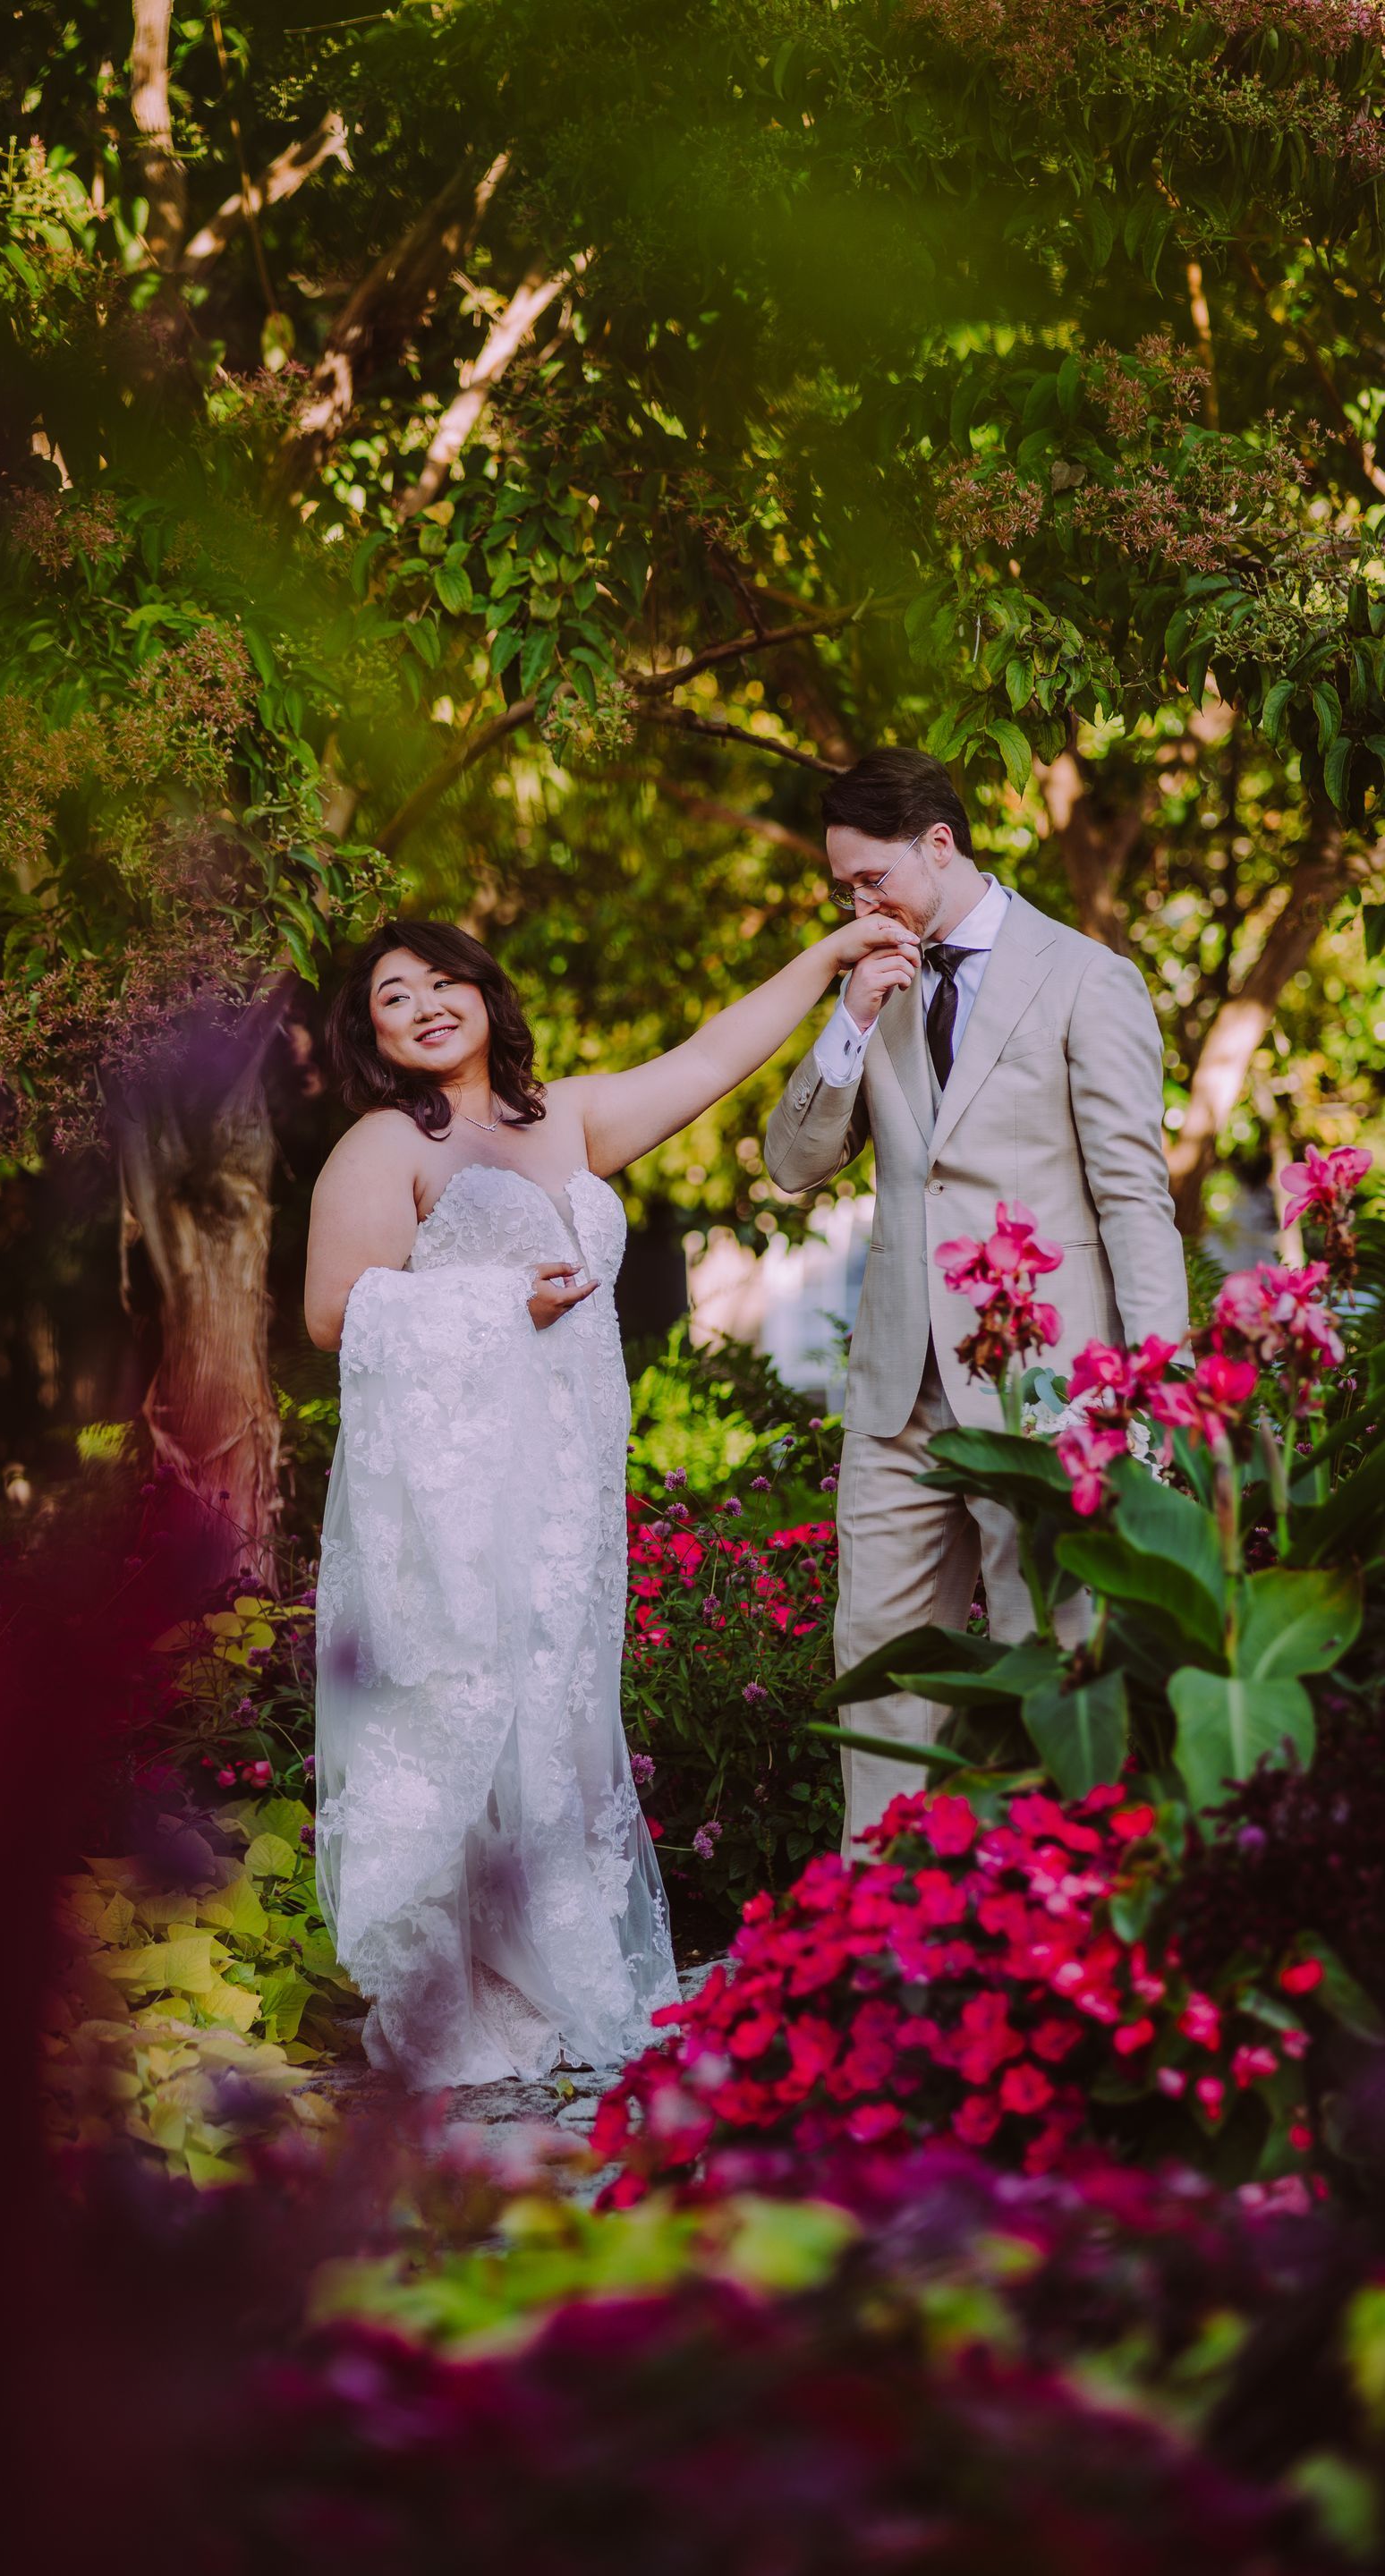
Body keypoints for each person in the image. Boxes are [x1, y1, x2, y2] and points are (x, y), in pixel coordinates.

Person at [304, 910, 915, 2088]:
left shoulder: (564, 1116)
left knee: (561, 1711)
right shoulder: (383, 1146)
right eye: (395, 993)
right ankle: (454, 1985)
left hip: (567, 1479)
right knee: (460, 1703)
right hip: (455, 1491)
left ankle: (553, 1954)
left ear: (487, 993)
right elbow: (337, 1312)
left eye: (445, 979)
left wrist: (827, 958)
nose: (427, 1002)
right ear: (371, 1031)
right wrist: (496, 1308)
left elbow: (705, 1060)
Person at [764, 747, 1188, 1855]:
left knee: (1056, 1661)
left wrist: (1159, 1396)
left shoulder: (1089, 977)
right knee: (882, 1674)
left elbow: (1138, 1202)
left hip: (1047, 1399)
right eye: (844, 886)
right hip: (899, 1395)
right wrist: (849, 1019)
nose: (857, 904)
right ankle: (871, 1935)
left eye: (870, 881)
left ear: (938, 845)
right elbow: (793, 1162)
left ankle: (1061, 1920)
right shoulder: (879, 984)